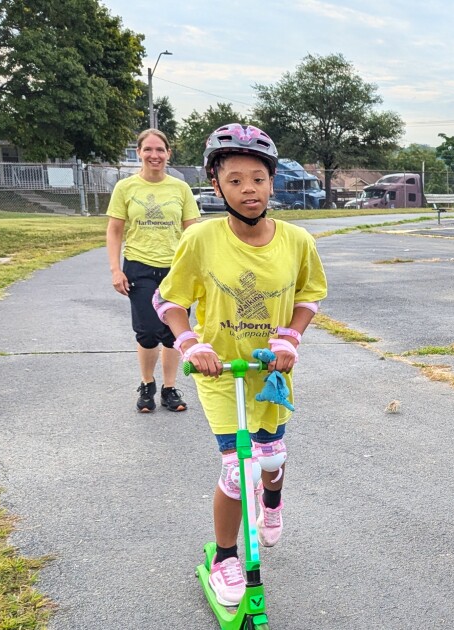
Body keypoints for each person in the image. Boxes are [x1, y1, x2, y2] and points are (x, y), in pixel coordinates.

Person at [155, 124, 328, 606]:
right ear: (216, 185)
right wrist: (190, 344)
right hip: (221, 373)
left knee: (271, 459)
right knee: (237, 470)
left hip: (270, 375)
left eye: (257, 179)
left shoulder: (297, 241)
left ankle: (272, 502)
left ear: (272, 183)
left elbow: (310, 295)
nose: (248, 189)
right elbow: (168, 300)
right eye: (234, 180)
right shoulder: (202, 239)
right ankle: (226, 558)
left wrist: (291, 337)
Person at [106, 128, 200, 412]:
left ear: (168, 153)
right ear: (139, 152)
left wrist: (197, 269)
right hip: (139, 266)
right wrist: (115, 270)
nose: (154, 155)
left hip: (175, 269)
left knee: (173, 332)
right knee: (147, 331)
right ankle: (147, 384)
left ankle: (170, 389)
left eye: (160, 149)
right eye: (148, 149)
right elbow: (115, 230)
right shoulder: (126, 188)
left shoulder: (180, 189)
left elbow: (193, 231)